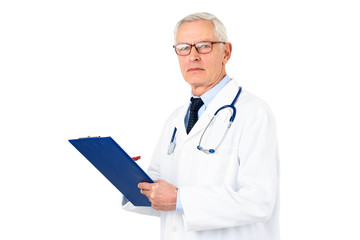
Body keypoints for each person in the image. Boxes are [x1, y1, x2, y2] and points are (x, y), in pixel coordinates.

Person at [122, 12, 280, 240]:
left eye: (204, 46)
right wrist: (126, 176)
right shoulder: (175, 120)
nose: (192, 56)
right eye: (184, 47)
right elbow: (159, 191)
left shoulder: (254, 113)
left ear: (226, 52)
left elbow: (258, 201)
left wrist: (179, 199)